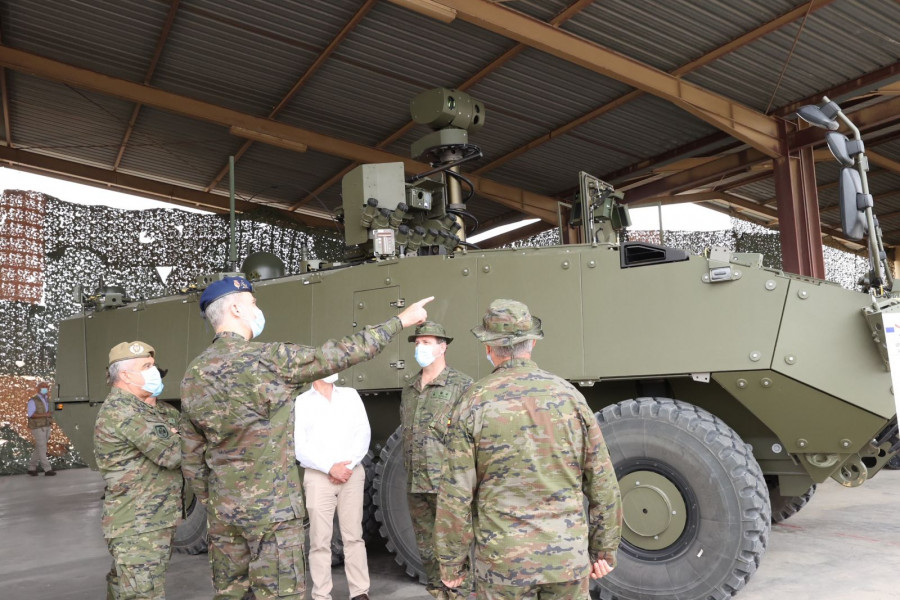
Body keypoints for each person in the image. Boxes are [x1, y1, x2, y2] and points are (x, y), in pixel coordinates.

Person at [180, 275, 432, 600]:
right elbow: (342, 353)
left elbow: (191, 455)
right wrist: (401, 320)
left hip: (225, 516)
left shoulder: (193, 375)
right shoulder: (268, 360)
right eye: (253, 304)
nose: (258, 309)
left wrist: (215, 500)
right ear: (235, 309)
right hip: (273, 516)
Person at [435, 299, 622, 600]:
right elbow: (602, 483)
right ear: (532, 343)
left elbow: (455, 495)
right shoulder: (570, 398)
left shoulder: (473, 403)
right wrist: (603, 551)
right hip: (567, 560)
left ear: (488, 347)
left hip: (502, 565)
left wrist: (452, 564)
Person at [94, 341, 182, 600]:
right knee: (144, 594)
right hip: (137, 523)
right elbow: (174, 454)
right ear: (125, 374)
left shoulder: (146, 408)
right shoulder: (124, 411)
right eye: (147, 366)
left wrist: (177, 436)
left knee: (126, 588)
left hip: (148, 519)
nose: (153, 371)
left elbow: (182, 436)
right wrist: (176, 438)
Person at [401, 321, 473, 599]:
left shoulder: (462, 385)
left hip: (448, 484)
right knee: (427, 547)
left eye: (427, 343)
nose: (420, 347)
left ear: (442, 347)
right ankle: (437, 592)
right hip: (416, 482)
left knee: (454, 546)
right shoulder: (410, 387)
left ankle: (461, 593)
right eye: (418, 343)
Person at [295, 373, 371, 600]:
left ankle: (360, 592)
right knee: (320, 540)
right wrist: (330, 468)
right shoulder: (302, 402)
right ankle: (321, 594)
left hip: (351, 473)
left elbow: (363, 432)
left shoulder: (350, 396)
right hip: (319, 477)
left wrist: (346, 466)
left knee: (354, 537)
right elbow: (299, 446)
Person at [26, 381, 55, 476]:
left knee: (39, 447)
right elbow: (31, 414)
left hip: (46, 425)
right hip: (37, 427)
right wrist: (45, 415)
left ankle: (31, 467)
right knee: (42, 447)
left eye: (46, 386)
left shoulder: (48, 400)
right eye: (43, 386)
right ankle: (47, 469)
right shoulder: (33, 400)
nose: (45, 388)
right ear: (38, 388)